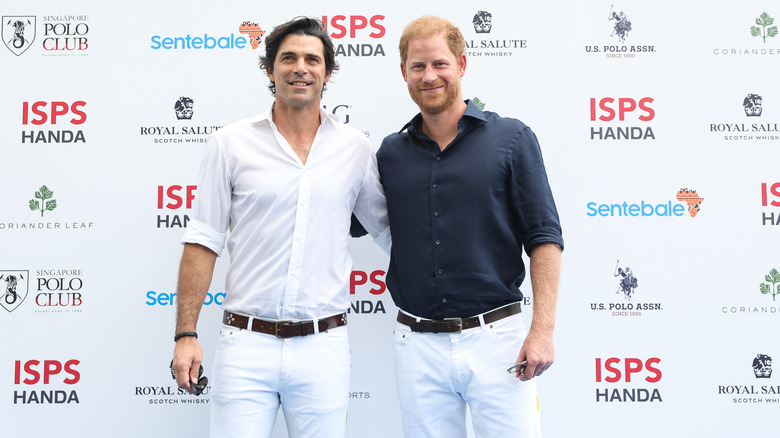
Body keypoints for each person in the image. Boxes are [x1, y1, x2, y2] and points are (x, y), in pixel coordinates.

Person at [170, 16, 390, 438]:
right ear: (270, 70)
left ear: (328, 72)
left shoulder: (355, 148)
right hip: (244, 345)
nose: (300, 68)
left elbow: (387, 233)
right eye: (288, 58)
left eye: (312, 59)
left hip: (323, 347)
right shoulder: (229, 143)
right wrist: (186, 334)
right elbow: (203, 241)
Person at [376, 16, 564, 437]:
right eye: (418, 66)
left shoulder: (512, 139)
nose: (429, 76)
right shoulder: (390, 153)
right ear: (403, 72)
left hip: (499, 342)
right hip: (417, 344)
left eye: (440, 64)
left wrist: (542, 330)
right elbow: (344, 216)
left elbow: (545, 239)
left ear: (461, 64)